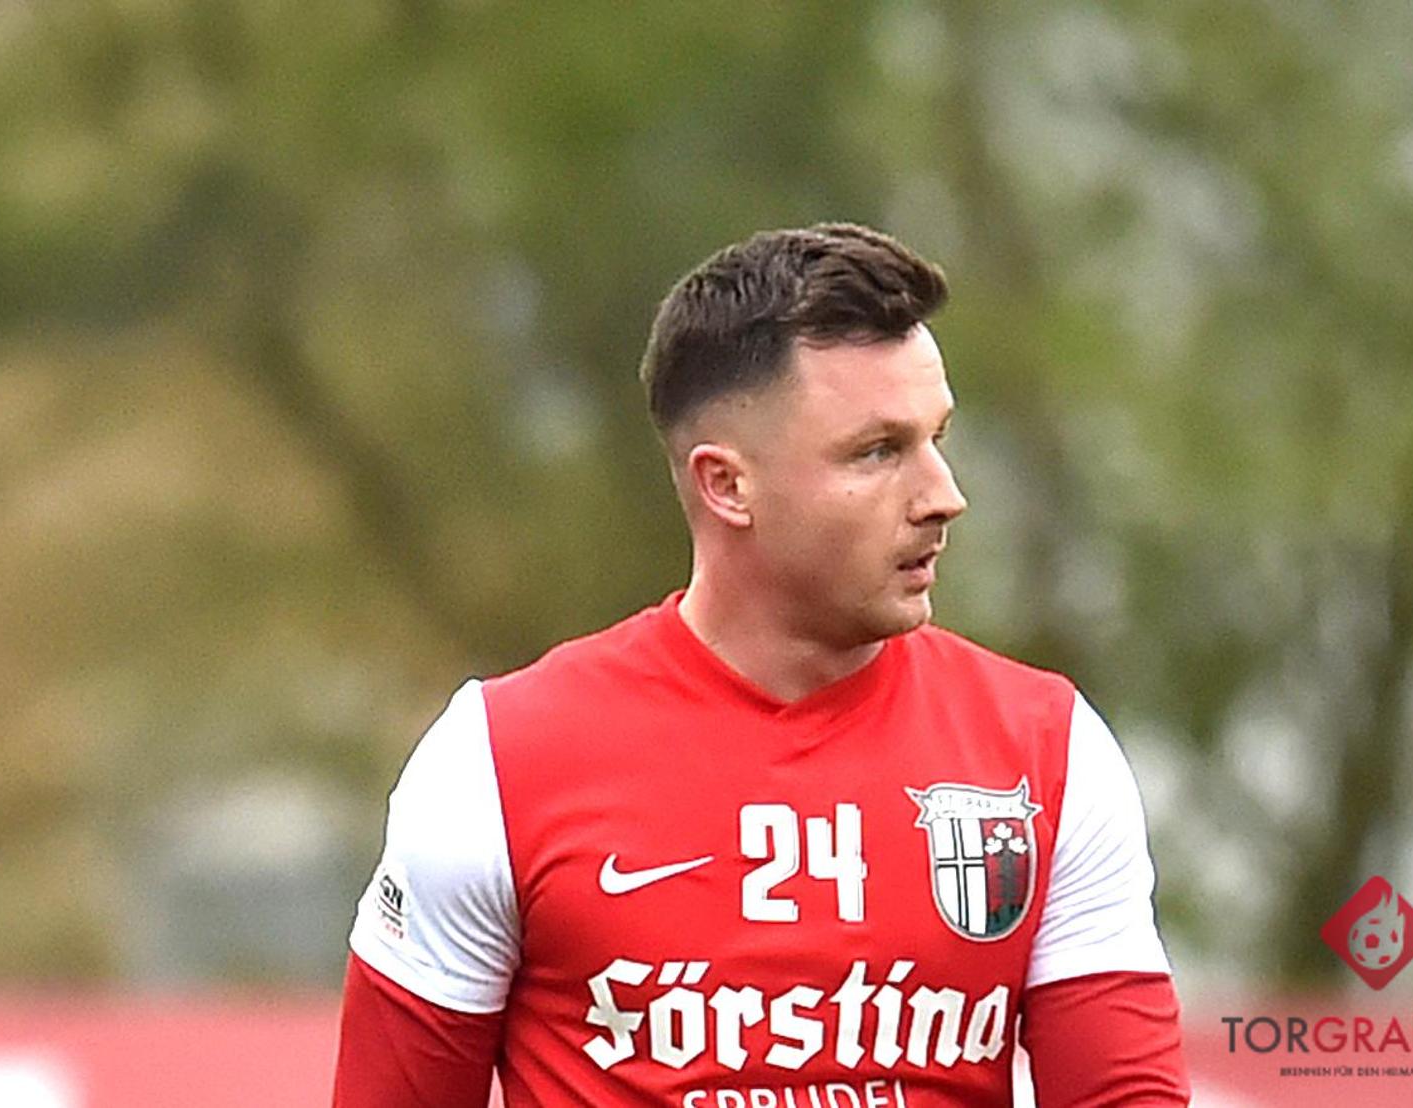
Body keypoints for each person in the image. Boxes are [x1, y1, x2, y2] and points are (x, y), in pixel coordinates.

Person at [332, 224, 1190, 1107]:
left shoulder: (1047, 753)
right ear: (727, 485)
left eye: (937, 438)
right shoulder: (498, 762)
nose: (944, 495)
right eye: (878, 451)